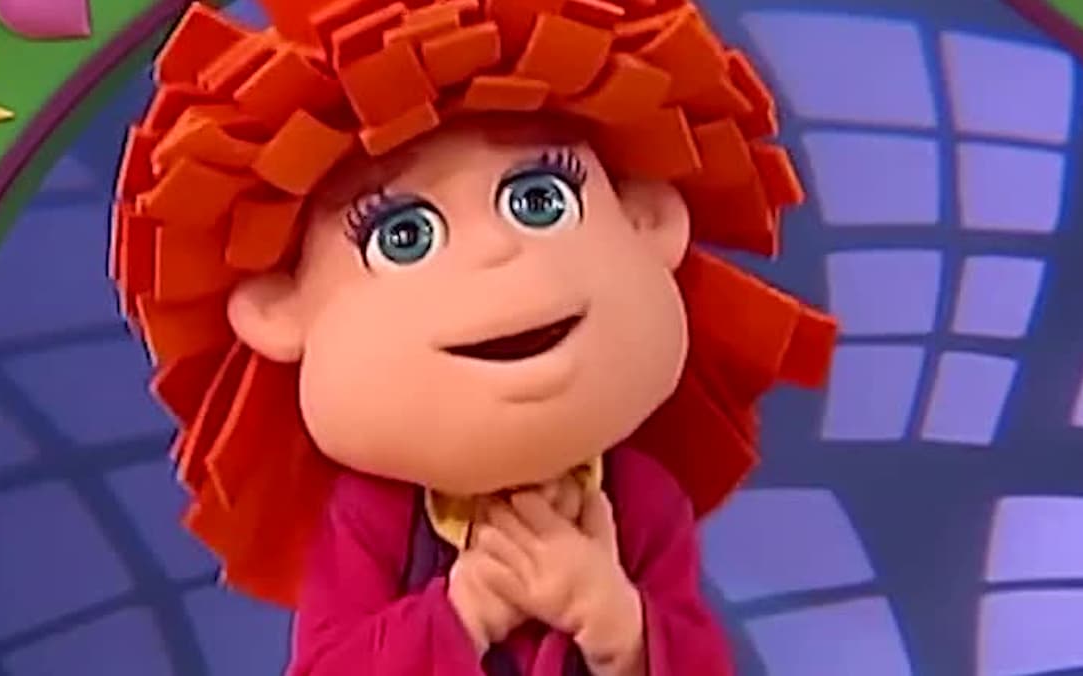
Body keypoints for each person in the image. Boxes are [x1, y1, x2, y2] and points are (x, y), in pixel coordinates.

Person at [109, 0, 837, 671]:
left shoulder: (643, 498)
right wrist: (462, 612)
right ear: (280, 312)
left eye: (540, 199)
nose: (496, 254)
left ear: (649, 221)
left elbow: (703, 659)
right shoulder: (372, 520)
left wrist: (619, 622)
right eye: (403, 235)